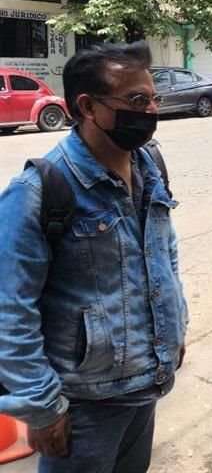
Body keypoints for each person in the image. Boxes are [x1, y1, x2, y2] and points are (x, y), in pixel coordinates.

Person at [0, 42, 188, 473]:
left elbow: (165, 253)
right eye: (138, 101)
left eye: (153, 98)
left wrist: (176, 325)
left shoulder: (148, 166)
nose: (152, 111)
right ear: (88, 106)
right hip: (84, 403)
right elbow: (10, 310)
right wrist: (42, 406)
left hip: (144, 386)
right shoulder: (37, 191)